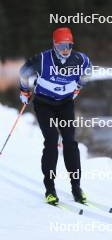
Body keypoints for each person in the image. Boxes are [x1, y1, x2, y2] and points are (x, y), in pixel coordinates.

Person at [19, 27, 91, 205]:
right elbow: (24, 72)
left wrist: (78, 87)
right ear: (54, 45)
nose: (65, 50)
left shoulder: (80, 59)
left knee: (70, 142)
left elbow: (88, 71)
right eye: (61, 46)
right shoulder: (43, 59)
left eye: (68, 45)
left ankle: (76, 187)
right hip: (44, 104)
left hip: (65, 104)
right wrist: (25, 91)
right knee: (51, 140)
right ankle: (50, 188)